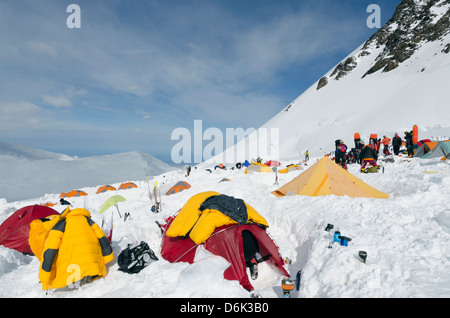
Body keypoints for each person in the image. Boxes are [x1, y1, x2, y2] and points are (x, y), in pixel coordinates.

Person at [38, 207, 114, 290]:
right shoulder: (87, 219)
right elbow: (102, 237)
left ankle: (75, 280)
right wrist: (108, 256)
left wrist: (45, 278)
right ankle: (89, 272)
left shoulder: (61, 223)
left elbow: (50, 248)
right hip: (92, 259)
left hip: (72, 264)